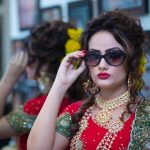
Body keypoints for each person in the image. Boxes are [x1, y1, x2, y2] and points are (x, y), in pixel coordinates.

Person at [28, 10, 150, 150]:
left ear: (131, 60)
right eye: (94, 57)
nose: (102, 65)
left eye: (114, 56)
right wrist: (60, 84)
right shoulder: (75, 113)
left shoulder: (146, 115)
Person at [0, 21, 86, 150]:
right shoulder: (78, 99)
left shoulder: (42, 105)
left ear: (45, 65)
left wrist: (7, 80)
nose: (26, 65)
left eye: (30, 59)